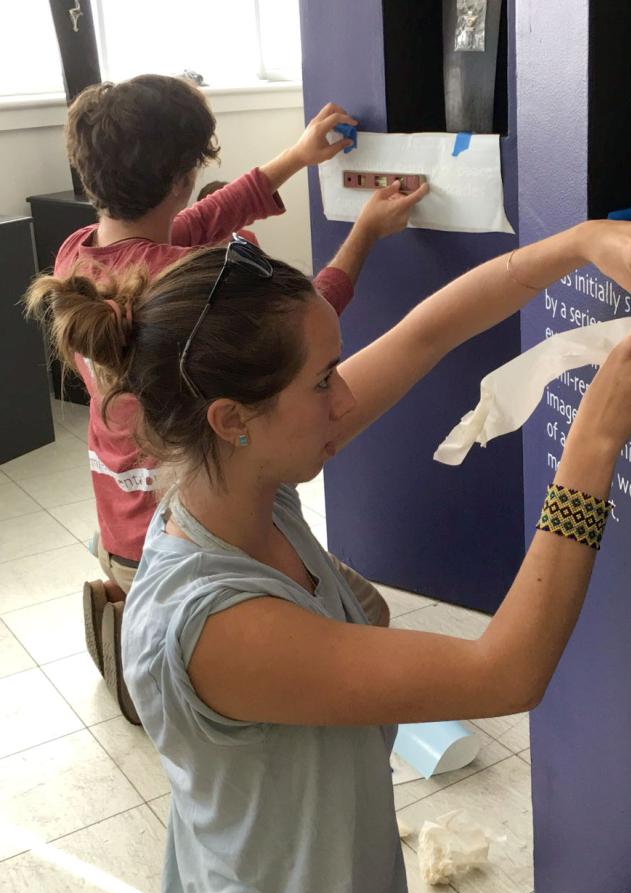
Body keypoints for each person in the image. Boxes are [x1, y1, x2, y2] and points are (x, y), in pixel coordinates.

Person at [26, 213, 631, 893]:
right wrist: (592, 442)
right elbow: (506, 671)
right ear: (232, 419)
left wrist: (580, 242)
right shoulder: (218, 628)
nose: (345, 396)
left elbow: (427, 332)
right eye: (324, 381)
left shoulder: (238, 484)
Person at [54, 73, 427, 720]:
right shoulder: (184, 277)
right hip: (195, 532)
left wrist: (296, 157)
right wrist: (365, 232)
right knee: (363, 612)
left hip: (123, 525)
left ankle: (150, 644)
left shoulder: (79, 258)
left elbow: (194, 223)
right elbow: (296, 334)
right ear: (180, 176)